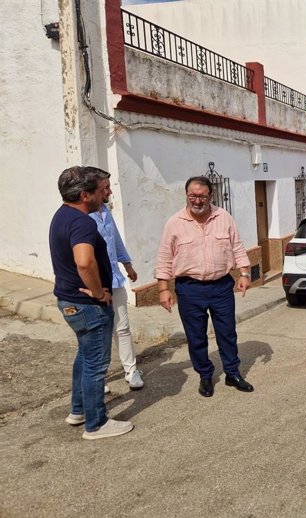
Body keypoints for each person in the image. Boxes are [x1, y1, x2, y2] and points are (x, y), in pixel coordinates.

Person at [49, 166, 134, 440]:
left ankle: (79, 410)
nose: (108, 193)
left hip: (69, 301)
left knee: (85, 356)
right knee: (96, 363)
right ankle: (96, 423)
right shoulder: (83, 222)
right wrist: (99, 293)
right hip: (87, 306)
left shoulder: (62, 215)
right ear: (85, 195)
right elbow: (84, 261)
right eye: (103, 189)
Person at [155, 176, 253, 398]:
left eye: (202, 196)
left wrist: (244, 273)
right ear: (186, 196)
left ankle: (232, 373)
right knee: (196, 336)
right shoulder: (174, 223)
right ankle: (205, 376)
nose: (197, 201)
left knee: (227, 333)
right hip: (189, 289)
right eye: (193, 196)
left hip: (221, 287)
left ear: (211, 196)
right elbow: (164, 258)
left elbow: (237, 247)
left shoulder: (224, 217)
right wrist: (163, 289)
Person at [89, 202, 144, 390]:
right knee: (99, 331)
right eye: (105, 188)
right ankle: (99, 378)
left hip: (115, 279)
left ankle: (131, 371)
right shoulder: (83, 215)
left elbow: (116, 240)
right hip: (94, 282)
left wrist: (127, 264)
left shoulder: (105, 211)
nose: (109, 192)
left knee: (122, 327)